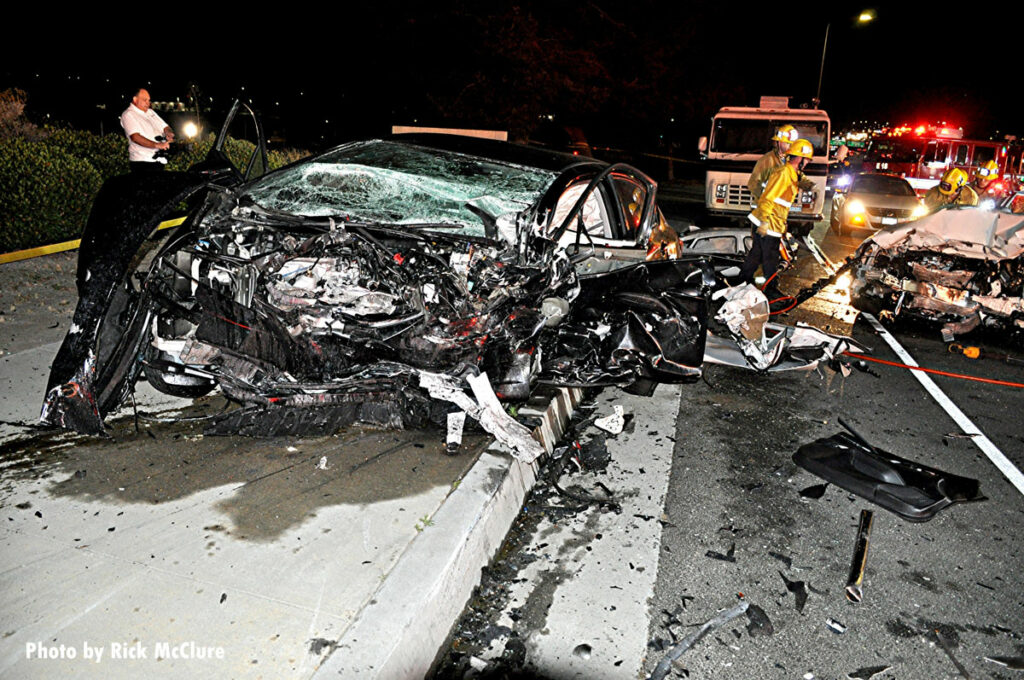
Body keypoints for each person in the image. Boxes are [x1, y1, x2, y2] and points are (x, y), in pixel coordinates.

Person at [739, 138, 815, 302]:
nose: (808, 162)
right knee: (770, 258)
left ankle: (741, 281)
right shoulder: (783, 174)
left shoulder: (791, 173)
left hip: (771, 220)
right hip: (769, 221)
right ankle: (770, 290)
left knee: (756, 254)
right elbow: (768, 197)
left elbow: (799, 180)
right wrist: (765, 222)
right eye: (807, 159)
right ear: (799, 158)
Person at [119, 88, 173, 172]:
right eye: (145, 100)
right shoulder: (128, 114)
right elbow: (135, 137)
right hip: (142, 162)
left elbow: (165, 127)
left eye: (149, 100)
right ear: (135, 99)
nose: (148, 103)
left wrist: (168, 133)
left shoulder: (151, 112)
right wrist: (157, 145)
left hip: (158, 160)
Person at [747, 124, 798, 202]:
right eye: (788, 143)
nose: (791, 146)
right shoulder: (767, 160)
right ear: (779, 142)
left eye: (792, 144)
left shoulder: (791, 160)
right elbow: (753, 184)